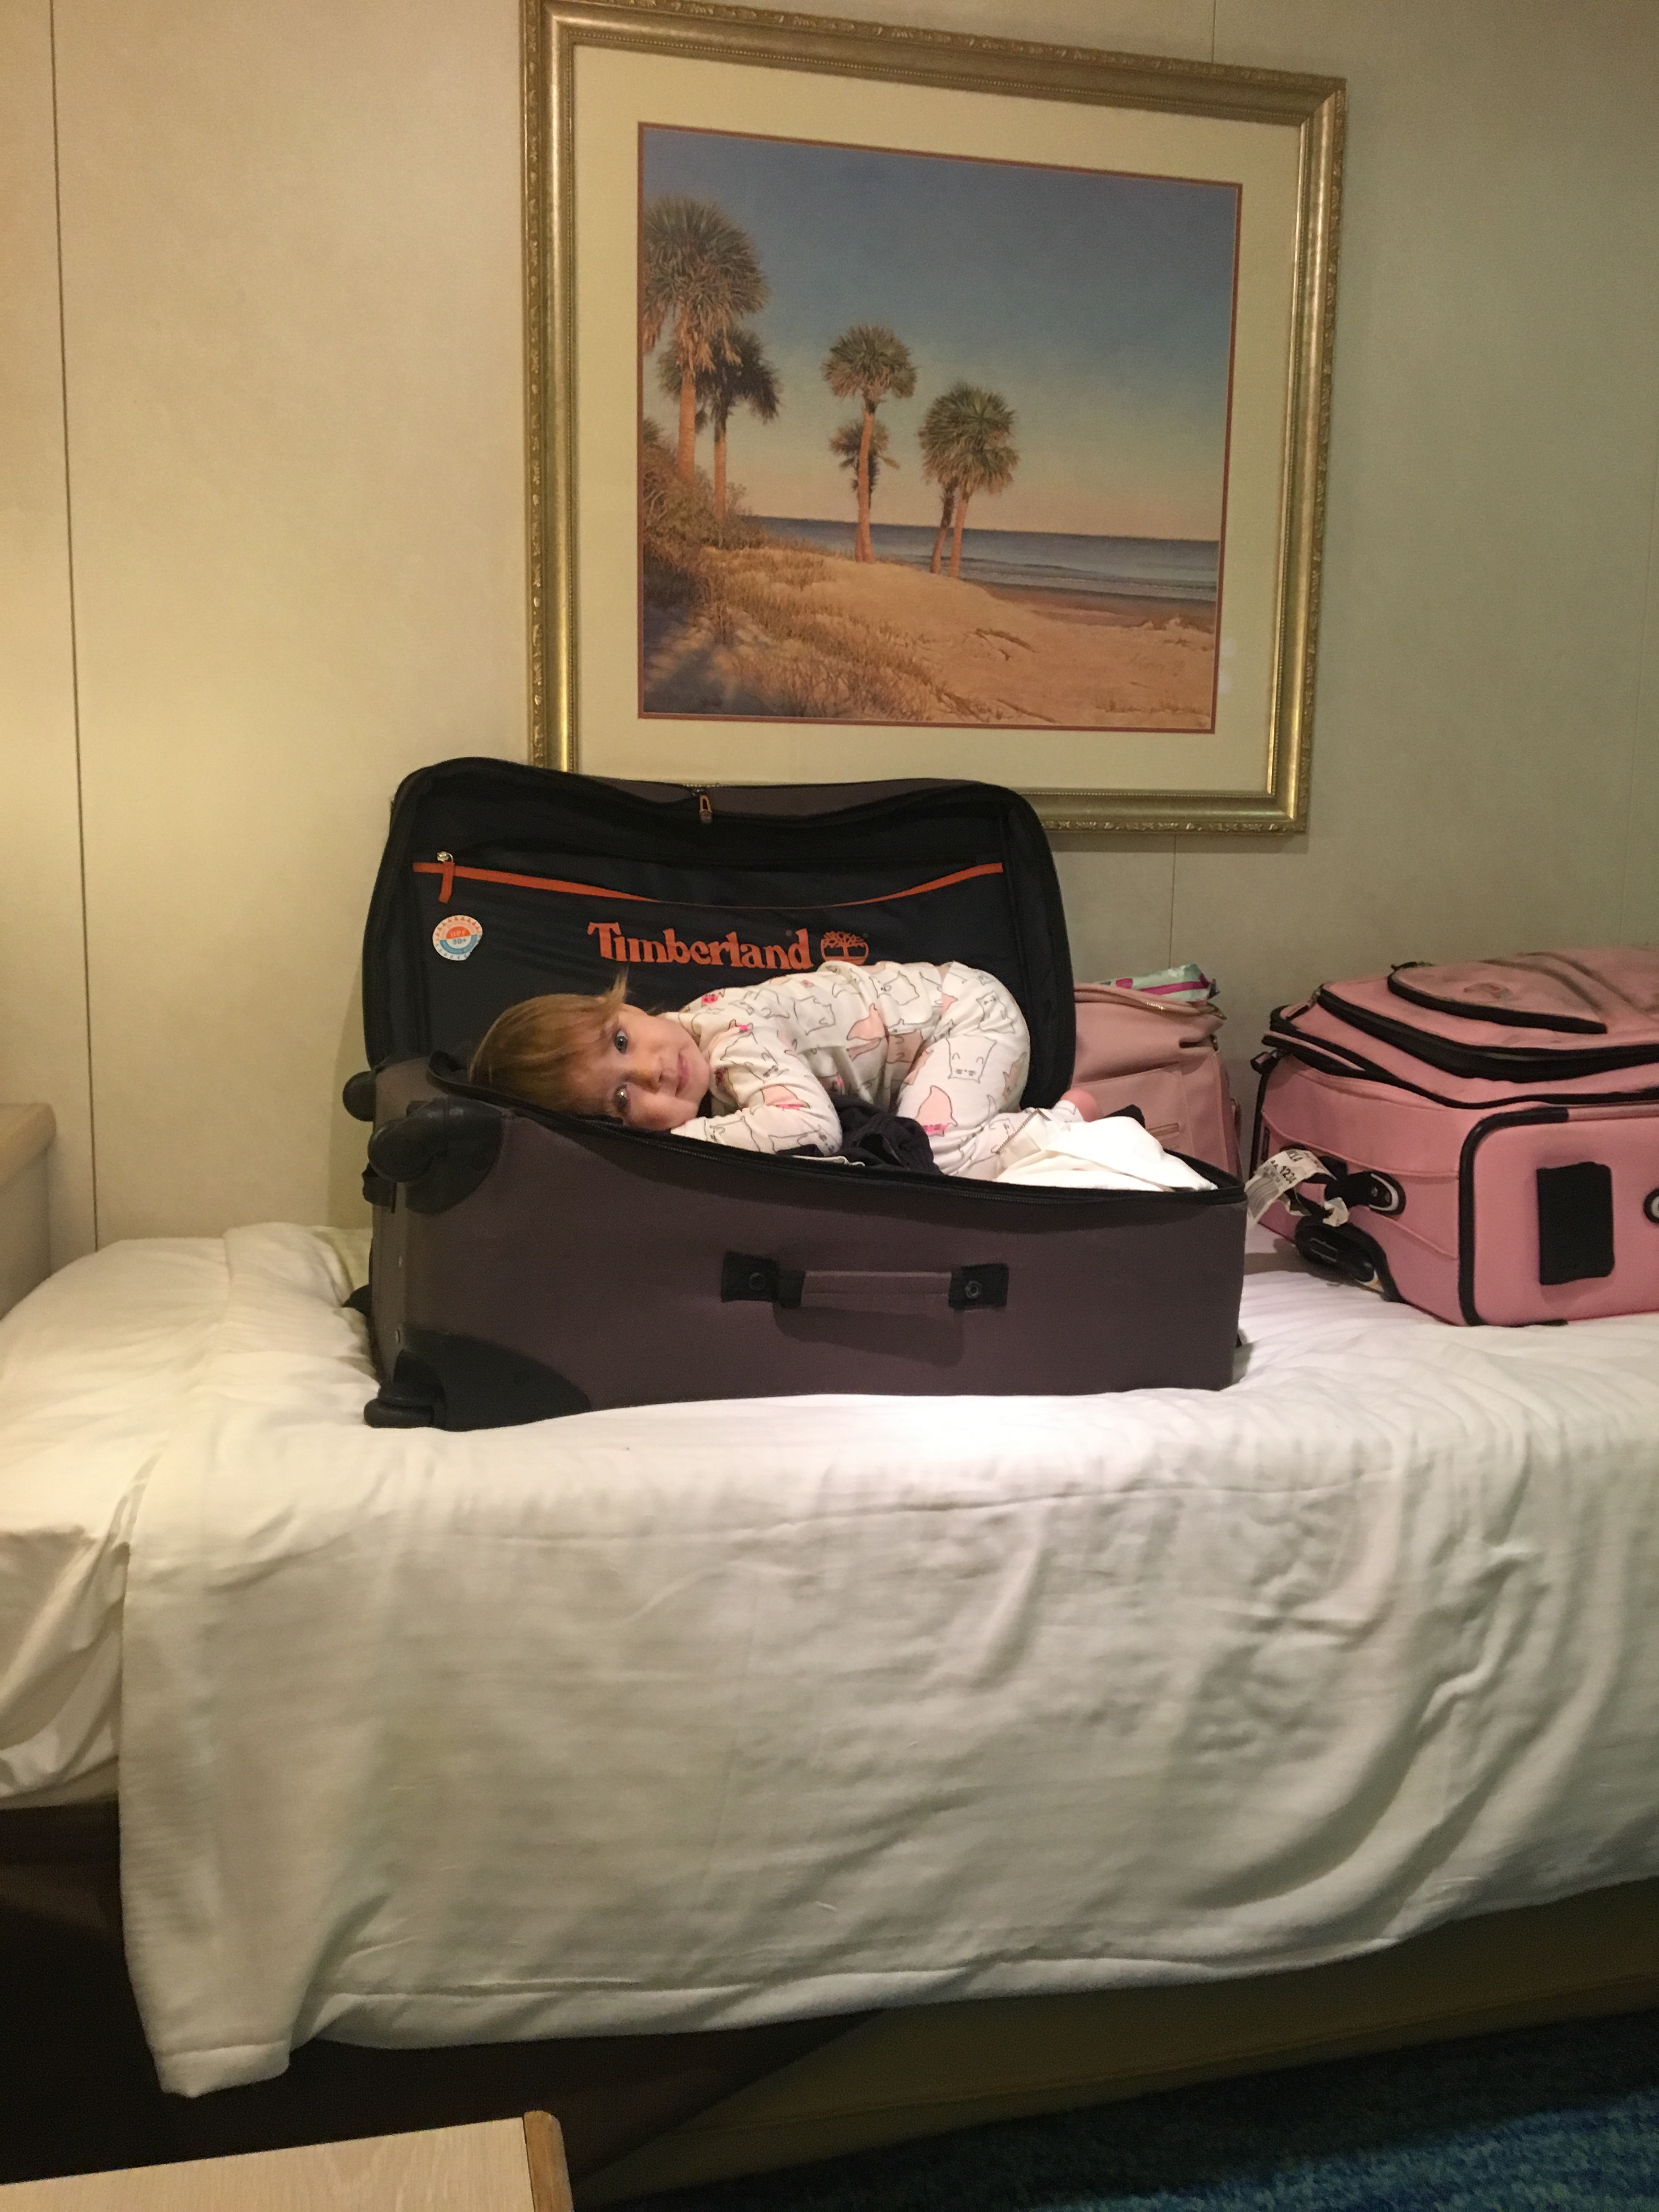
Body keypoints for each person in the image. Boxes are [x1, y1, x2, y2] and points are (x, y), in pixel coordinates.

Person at [467, 958, 1102, 1180]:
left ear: (627, 1005)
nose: (653, 1072)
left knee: (936, 1158)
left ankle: (1065, 1123)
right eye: (622, 1100)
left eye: (623, 1040)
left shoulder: (727, 1032)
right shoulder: (698, 1059)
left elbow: (810, 1129)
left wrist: (677, 1140)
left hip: (962, 1017)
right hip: (934, 1043)